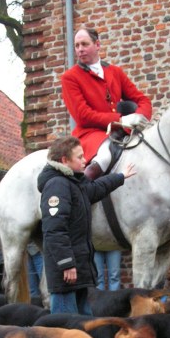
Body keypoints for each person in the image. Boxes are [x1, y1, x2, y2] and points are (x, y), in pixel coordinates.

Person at [38, 136, 136, 314]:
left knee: (84, 326)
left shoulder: (73, 182)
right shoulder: (57, 186)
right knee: (66, 331)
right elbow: (54, 230)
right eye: (80, 157)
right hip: (66, 276)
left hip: (78, 271)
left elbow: (96, 188)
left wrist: (120, 177)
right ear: (64, 161)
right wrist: (66, 263)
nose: (85, 161)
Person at [61, 27, 152, 179]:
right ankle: (82, 193)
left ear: (97, 45)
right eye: (77, 46)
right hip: (90, 134)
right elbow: (83, 116)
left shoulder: (115, 72)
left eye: (84, 44)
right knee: (104, 156)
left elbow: (142, 99)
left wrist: (140, 117)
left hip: (120, 132)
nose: (80, 49)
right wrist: (121, 120)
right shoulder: (70, 77)